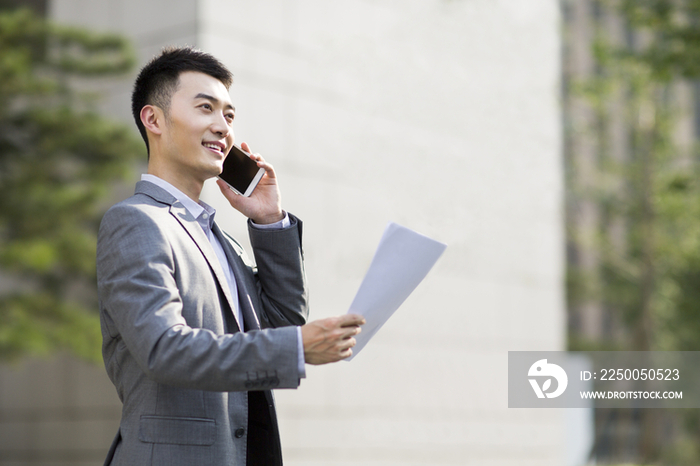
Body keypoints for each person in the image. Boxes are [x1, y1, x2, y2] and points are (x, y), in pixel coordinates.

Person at [96, 46, 365, 466]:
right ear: (154, 120)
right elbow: (163, 348)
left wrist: (269, 221)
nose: (222, 127)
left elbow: (281, 324)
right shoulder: (136, 222)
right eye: (206, 108)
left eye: (229, 115)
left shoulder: (222, 239)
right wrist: (295, 347)